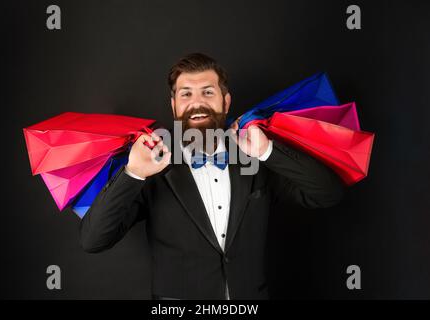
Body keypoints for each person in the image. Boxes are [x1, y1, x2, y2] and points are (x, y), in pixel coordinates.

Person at [80, 53, 344, 299]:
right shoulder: (152, 169)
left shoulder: (255, 160)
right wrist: (133, 173)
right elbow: (93, 240)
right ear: (173, 106)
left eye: (208, 92)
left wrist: (267, 151)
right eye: (186, 94)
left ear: (225, 101)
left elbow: (328, 193)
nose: (197, 103)